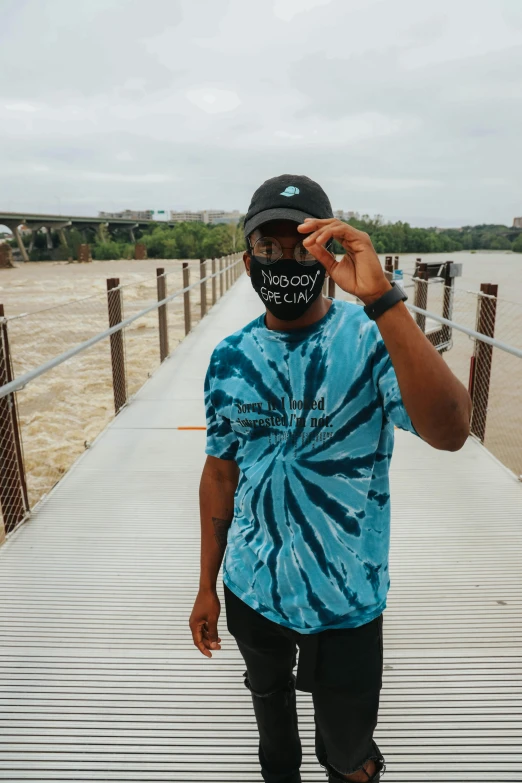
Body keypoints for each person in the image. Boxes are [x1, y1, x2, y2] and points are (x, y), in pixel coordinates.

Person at [189, 174, 472, 783]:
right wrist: (207, 584)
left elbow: (451, 431)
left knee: (347, 753)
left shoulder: (373, 340)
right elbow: (219, 471)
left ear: (332, 251)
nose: (285, 259)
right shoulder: (229, 358)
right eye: (270, 247)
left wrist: (383, 299)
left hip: (347, 600)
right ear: (247, 260)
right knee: (275, 741)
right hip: (252, 587)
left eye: (303, 244)